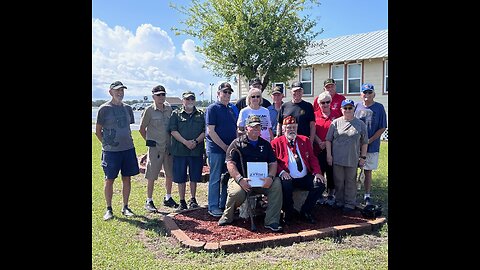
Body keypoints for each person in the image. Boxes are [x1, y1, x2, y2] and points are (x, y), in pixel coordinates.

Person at [217, 115, 283, 232]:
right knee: (236, 193)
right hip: (242, 180)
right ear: (247, 128)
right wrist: (239, 179)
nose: (256, 129)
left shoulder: (265, 144)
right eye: (253, 127)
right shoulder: (237, 143)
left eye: (258, 127)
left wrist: (270, 177)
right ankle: (228, 216)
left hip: (262, 181)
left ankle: (271, 221)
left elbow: (273, 163)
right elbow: (230, 163)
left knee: (277, 183)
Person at [95, 81, 140, 220]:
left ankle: (125, 207)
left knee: (127, 178)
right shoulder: (104, 109)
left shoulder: (128, 108)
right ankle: (109, 209)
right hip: (111, 152)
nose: (120, 93)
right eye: (117, 91)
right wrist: (107, 145)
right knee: (109, 179)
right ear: (110, 92)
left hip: (128, 149)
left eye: (122, 90)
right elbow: (97, 131)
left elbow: (128, 128)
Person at [271, 116, 326, 224]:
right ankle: (288, 212)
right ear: (283, 129)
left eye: (294, 127)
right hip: (288, 177)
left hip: (304, 177)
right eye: (289, 127)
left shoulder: (304, 140)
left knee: (320, 184)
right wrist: (282, 172)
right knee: (285, 184)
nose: (291, 130)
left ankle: (306, 211)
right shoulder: (276, 143)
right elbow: (273, 161)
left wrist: (317, 173)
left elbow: (312, 158)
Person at [139, 85, 178, 213]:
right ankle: (149, 200)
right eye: (158, 95)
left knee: (169, 174)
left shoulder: (169, 109)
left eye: (163, 94)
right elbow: (141, 129)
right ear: (153, 96)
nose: (161, 97)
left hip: (168, 147)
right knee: (152, 174)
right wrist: (150, 142)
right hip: (155, 148)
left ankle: (168, 197)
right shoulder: (149, 110)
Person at [325, 99, 368, 213]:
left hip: (352, 158)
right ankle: (339, 201)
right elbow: (328, 140)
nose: (348, 110)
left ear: (354, 109)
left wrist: (363, 157)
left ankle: (350, 203)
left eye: (350, 108)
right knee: (338, 181)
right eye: (345, 108)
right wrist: (329, 155)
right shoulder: (335, 123)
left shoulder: (360, 124)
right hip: (337, 158)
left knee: (350, 182)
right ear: (341, 110)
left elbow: (364, 142)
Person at [205, 82, 238, 217]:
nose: (227, 95)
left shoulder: (230, 109)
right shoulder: (212, 109)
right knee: (215, 178)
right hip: (216, 150)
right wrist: (224, 146)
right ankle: (213, 206)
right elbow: (210, 131)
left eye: (229, 93)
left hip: (229, 151)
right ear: (218, 93)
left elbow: (235, 129)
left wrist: (234, 146)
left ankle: (223, 204)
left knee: (226, 178)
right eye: (224, 92)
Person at [168, 91, 206, 211]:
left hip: (196, 150)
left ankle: (193, 199)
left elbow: (205, 131)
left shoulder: (201, 114)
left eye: (191, 99)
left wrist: (195, 142)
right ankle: (182, 200)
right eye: (187, 99)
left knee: (194, 176)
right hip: (180, 151)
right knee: (181, 177)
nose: (189, 101)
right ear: (183, 100)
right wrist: (185, 142)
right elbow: (173, 131)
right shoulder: (176, 114)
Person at [354, 83, 387, 205]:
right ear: (361, 94)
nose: (367, 95)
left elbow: (382, 127)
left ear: (374, 93)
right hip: (356, 146)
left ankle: (367, 195)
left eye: (369, 92)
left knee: (368, 170)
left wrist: (370, 140)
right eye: (365, 92)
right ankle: (352, 193)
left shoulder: (379, 107)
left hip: (372, 146)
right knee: (353, 170)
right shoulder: (356, 106)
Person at [276, 82, 316, 146]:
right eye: (295, 91)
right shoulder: (284, 106)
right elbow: (279, 123)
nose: (297, 93)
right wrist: (278, 135)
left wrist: (310, 142)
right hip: (287, 142)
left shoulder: (308, 106)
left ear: (302, 92)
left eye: (299, 91)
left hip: (303, 142)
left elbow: (312, 126)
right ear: (291, 92)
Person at [313, 91, 335, 206]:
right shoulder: (315, 114)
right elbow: (312, 130)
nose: (325, 105)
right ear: (319, 103)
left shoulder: (336, 115)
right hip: (318, 147)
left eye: (327, 102)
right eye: (322, 103)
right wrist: (318, 141)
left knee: (331, 171)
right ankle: (320, 193)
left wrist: (327, 143)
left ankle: (331, 193)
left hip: (332, 148)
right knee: (319, 170)